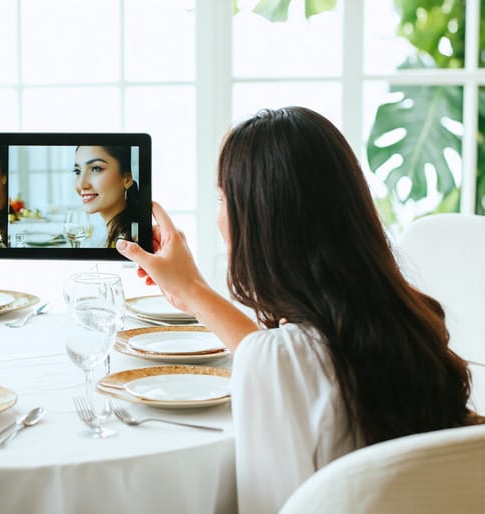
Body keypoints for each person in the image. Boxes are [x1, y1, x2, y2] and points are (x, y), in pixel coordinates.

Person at [115, 107, 479, 514]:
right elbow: (286, 362)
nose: (218, 214)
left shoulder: (283, 362)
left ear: (258, 220)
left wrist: (193, 289)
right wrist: (191, 290)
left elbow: (269, 501)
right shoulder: (405, 320)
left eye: (222, 198)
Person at [73, 145, 138, 248]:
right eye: (77, 171)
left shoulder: (126, 243)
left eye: (96, 168)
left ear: (127, 178)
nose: (81, 184)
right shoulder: (119, 234)